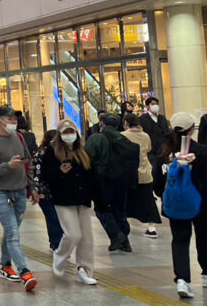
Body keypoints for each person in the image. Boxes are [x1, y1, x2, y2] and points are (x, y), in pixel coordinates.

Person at [165, 112, 207, 299]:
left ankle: (183, 279)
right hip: (201, 203)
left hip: (176, 205)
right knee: (205, 238)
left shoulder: (166, 152)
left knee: (180, 240)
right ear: (192, 129)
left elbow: (159, 179)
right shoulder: (202, 151)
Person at [0, 105, 39, 291]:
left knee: (10, 230)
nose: (13, 123)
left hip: (20, 190)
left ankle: (5, 265)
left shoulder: (19, 138)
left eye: (14, 120)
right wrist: (8, 165)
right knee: (13, 233)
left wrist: (32, 187)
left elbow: (28, 162)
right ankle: (25, 272)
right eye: (9, 119)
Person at [38, 120, 98, 285]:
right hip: (63, 200)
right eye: (65, 132)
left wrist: (98, 198)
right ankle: (60, 255)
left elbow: (91, 176)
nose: (69, 135)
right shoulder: (52, 153)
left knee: (86, 237)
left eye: (71, 131)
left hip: (83, 200)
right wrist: (59, 172)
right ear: (59, 134)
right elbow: (45, 176)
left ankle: (84, 269)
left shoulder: (83, 152)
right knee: (73, 234)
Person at [86, 113, 136, 253]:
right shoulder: (123, 138)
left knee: (101, 209)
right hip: (122, 179)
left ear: (102, 124)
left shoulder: (97, 138)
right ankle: (125, 242)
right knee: (119, 210)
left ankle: (116, 235)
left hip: (103, 180)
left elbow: (87, 158)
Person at [121, 113, 161, 239]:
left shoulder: (123, 136)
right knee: (148, 200)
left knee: (126, 201)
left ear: (126, 123)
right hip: (145, 172)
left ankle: (124, 227)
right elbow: (148, 149)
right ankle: (151, 227)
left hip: (129, 174)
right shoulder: (145, 136)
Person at [31, 129, 64, 252]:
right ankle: (57, 243)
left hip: (58, 192)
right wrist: (39, 191)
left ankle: (55, 242)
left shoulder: (60, 153)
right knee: (53, 218)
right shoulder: (41, 154)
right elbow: (37, 174)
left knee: (55, 218)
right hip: (46, 192)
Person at [140, 97, 171, 195]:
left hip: (163, 151)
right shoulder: (142, 119)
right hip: (151, 151)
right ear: (147, 106)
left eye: (157, 104)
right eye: (153, 104)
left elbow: (167, 132)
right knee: (153, 173)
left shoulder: (162, 118)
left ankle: (162, 191)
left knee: (163, 173)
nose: (155, 106)